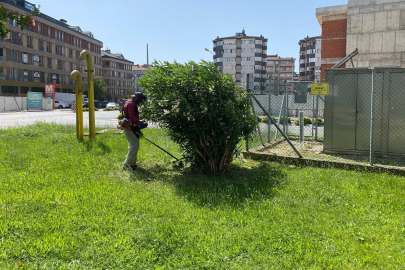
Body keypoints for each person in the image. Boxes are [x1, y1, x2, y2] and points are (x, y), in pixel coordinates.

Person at [123, 92, 148, 171]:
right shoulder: (131, 104)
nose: (141, 102)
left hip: (131, 127)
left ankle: (133, 164)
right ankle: (127, 165)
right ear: (137, 97)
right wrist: (139, 123)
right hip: (130, 127)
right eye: (141, 99)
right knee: (134, 146)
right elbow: (131, 116)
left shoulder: (129, 102)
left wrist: (139, 122)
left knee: (134, 145)